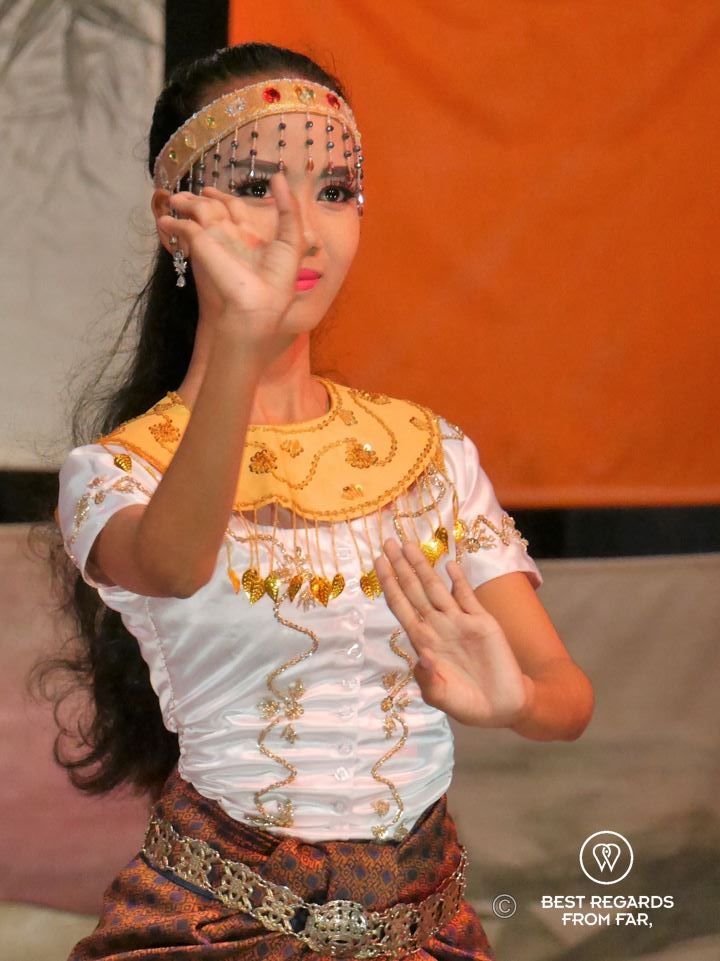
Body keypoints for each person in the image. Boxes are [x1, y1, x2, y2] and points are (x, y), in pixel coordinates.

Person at [49, 41, 593, 961]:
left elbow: (567, 695)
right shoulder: (118, 471)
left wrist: (513, 702)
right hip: (210, 926)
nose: (302, 228)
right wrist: (244, 339)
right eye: (257, 186)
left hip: (426, 925)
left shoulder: (429, 453)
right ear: (174, 219)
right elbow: (178, 564)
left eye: (335, 190)